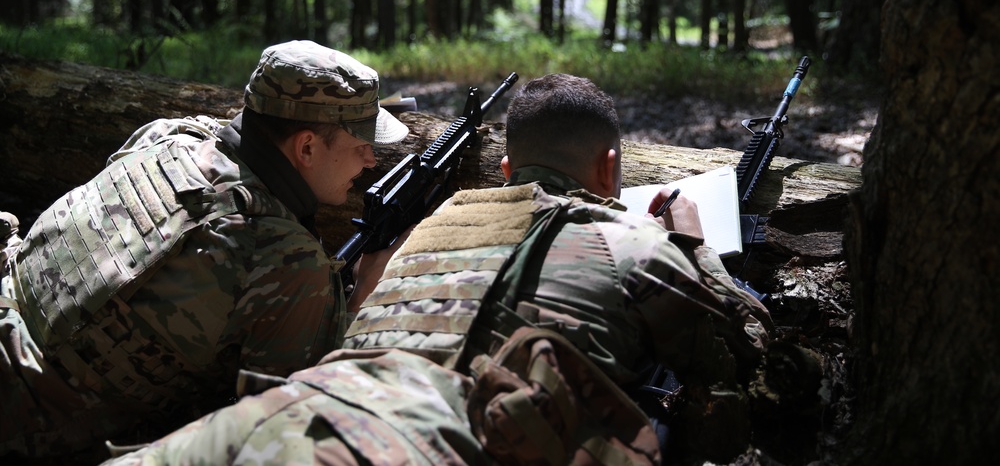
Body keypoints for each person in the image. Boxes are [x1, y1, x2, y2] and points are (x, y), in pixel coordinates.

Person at [96, 73, 773, 466]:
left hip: (278, 411)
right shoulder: (634, 241)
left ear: (505, 172)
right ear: (608, 170)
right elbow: (755, 351)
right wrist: (690, 244)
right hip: (405, 443)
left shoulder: (430, 230)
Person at [0, 40, 409, 461]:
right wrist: (361, 298)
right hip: (30, 431)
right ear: (306, 148)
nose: (371, 159)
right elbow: (291, 419)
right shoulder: (286, 259)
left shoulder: (170, 137)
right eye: (360, 142)